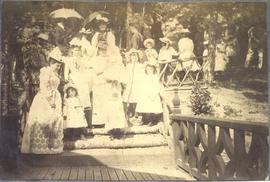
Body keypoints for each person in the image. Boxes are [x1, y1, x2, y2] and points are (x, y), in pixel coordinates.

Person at [21, 48, 64, 154]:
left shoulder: (56, 74)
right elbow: (44, 87)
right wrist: (50, 100)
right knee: (43, 120)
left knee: (56, 120)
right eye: (56, 64)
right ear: (51, 62)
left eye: (59, 65)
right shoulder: (45, 71)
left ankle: (52, 146)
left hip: (55, 98)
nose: (58, 67)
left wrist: (55, 99)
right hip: (44, 99)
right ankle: (41, 147)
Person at [91, 37, 126, 129]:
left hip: (109, 83)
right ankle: (99, 122)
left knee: (110, 102)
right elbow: (95, 71)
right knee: (99, 102)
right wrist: (103, 72)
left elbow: (116, 69)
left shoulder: (111, 59)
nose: (103, 51)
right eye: (101, 50)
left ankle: (111, 123)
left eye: (105, 49)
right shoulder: (96, 59)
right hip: (100, 82)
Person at [122, 49, 145, 123]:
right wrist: (124, 82)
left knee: (137, 97)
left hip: (137, 83)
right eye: (132, 56)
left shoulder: (141, 66)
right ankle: (128, 112)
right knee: (128, 97)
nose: (134, 57)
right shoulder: (128, 66)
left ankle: (137, 112)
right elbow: (125, 74)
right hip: (130, 83)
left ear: (138, 57)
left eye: (135, 56)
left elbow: (142, 75)